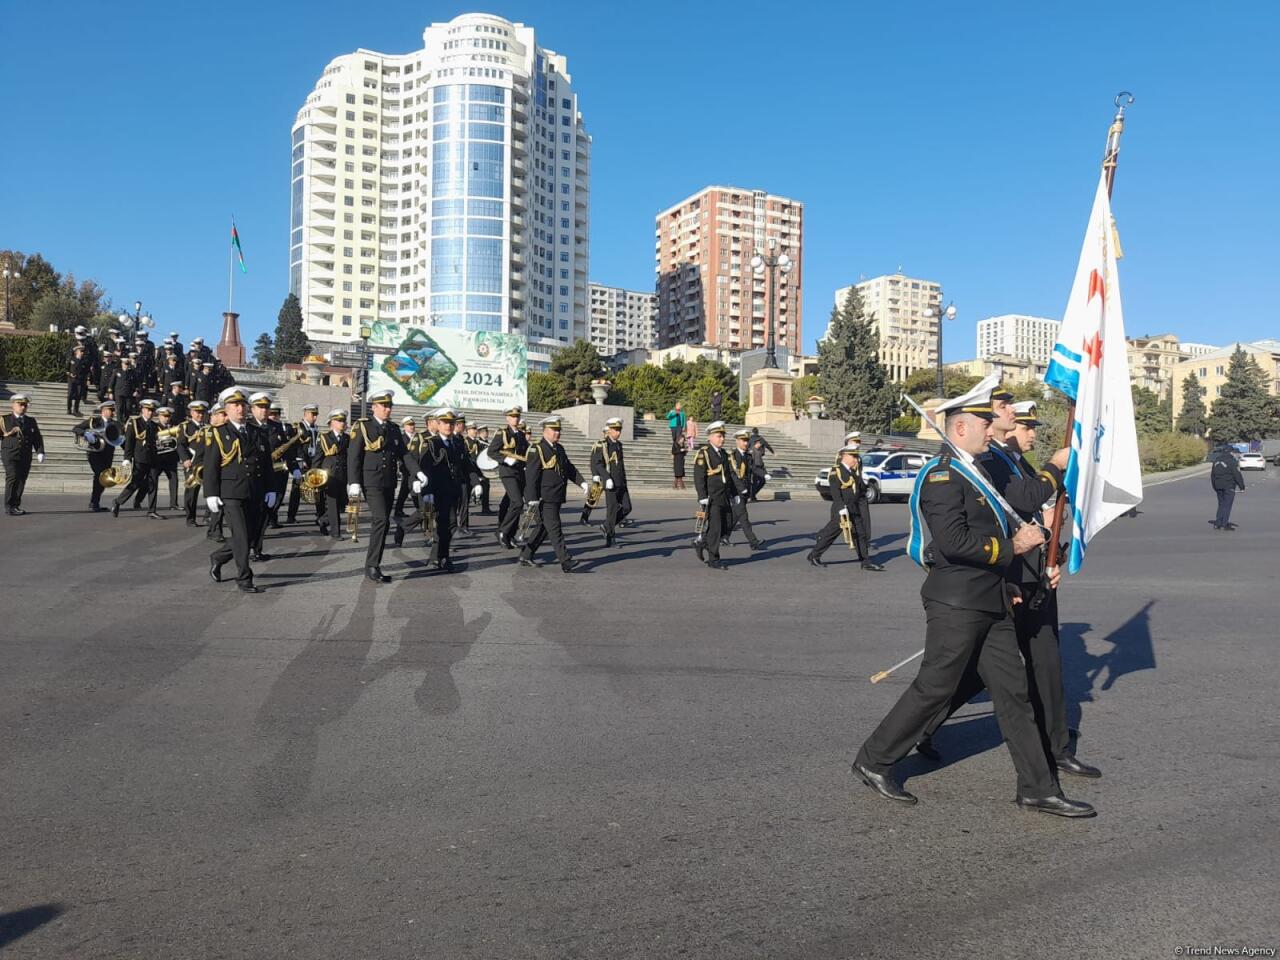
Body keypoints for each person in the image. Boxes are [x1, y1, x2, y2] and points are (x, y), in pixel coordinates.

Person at [851, 382, 1094, 818]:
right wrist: (1014, 547)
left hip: (992, 598)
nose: (993, 429)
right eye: (984, 423)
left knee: (1013, 693)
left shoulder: (975, 469)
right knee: (935, 687)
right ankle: (873, 760)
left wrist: (1009, 583)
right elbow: (955, 542)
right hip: (956, 601)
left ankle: (1037, 789)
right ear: (960, 426)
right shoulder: (942, 475)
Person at [204, 386, 270, 594]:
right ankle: (244, 578)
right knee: (241, 535)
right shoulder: (218, 433)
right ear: (226, 409)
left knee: (250, 537)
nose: (240, 409)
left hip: (255, 490)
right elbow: (211, 465)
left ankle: (219, 557)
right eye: (235, 405)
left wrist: (271, 489)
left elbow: (266, 463)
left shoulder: (257, 432)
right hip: (231, 491)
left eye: (242, 404)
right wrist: (211, 493)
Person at [348, 389, 406, 583]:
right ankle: (373, 566)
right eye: (384, 406)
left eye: (390, 406)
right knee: (381, 519)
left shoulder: (394, 429)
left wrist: (417, 473)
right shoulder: (363, 426)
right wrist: (354, 482)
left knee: (384, 522)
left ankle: (372, 565)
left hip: (389, 482)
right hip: (370, 481)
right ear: (374, 407)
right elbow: (354, 456)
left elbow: (404, 455)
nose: (387, 409)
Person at [518, 416, 589, 572]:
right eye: (554, 430)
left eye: (558, 430)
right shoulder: (537, 449)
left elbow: (569, 468)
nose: (557, 433)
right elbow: (531, 476)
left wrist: (582, 482)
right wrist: (531, 498)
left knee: (544, 527)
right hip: (544, 497)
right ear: (545, 430)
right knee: (555, 527)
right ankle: (565, 560)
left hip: (556, 495)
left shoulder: (559, 448)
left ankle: (526, 554)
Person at [808, 443, 883, 571]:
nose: (856, 459)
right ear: (844, 456)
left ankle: (865, 561)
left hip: (854, 508)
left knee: (860, 533)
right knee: (831, 534)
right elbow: (835, 491)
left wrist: (864, 483)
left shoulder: (853, 472)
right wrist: (841, 506)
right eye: (853, 456)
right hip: (841, 509)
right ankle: (814, 555)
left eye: (856, 456)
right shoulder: (836, 471)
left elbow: (859, 491)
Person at [487, 406, 529, 549]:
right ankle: (502, 531)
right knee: (518, 503)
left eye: (517, 416)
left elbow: (526, 452)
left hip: (519, 472)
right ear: (507, 418)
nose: (515, 419)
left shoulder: (521, 434)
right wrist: (505, 459)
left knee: (510, 503)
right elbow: (491, 452)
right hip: (507, 472)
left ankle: (510, 535)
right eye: (512, 416)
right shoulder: (502, 433)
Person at [112, 398, 161, 519]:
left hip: (153, 458)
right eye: (148, 410)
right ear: (142, 410)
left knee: (153, 484)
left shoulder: (155, 425)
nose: (150, 412)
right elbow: (129, 442)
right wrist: (127, 458)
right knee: (135, 483)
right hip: (140, 458)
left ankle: (151, 510)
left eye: (152, 410)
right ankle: (118, 501)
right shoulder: (134, 422)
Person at [692, 421, 732, 569]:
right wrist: (702, 495)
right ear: (710, 437)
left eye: (723, 436)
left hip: (724, 496)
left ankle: (702, 543)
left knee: (728, 523)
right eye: (719, 436)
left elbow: (728, 476)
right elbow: (699, 476)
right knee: (715, 527)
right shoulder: (704, 452)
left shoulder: (723, 453)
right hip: (711, 496)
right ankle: (714, 559)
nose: (722, 439)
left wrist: (734, 493)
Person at [73, 399, 121, 512]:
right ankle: (94, 503)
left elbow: (120, 439)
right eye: (111, 410)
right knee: (99, 475)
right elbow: (75, 428)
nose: (113, 412)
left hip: (108, 454)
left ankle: (95, 502)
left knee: (103, 479)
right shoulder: (94, 421)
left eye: (114, 410)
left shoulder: (116, 424)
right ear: (104, 410)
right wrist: (85, 433)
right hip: (94, 453)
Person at [590, 417, 631, 547]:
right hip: (610, 482)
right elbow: (598, 464)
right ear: (609, 430)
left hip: (620, 482)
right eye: (615, 429)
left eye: (619, 429)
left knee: (627, 507)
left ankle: (607, 525)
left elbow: (621, 465)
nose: (618, 432)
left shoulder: (619, 445)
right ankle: (610, 539)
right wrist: (606, 478)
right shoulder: (602, 444)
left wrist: (624, 480)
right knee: (612, 511)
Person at [2, 393, 45, 515]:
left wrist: (40, 451)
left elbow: (37, 438)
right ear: (13, 405)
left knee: (21, 479)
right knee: (12, 476)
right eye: (20, 404)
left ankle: (15, 505)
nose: (23, 407)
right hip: (10, 453)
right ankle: (9, 505)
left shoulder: (31, 421)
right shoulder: (4, 419)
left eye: (25, 405)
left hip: (25, 454)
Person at [727, 429, 767, 552]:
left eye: (747, 441)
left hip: (745, 491)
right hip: (736, 491)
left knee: (735, 516)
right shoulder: (733, 456)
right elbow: (733, 475)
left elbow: (754, 468)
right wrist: (741, 489)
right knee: (744, 516)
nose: (746, 443)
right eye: (743, 441)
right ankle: (753, 542)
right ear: (737, 441)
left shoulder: (748, 456)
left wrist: (764, 474)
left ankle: (723, 536)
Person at [286, 403, 322, 526]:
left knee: (317, 487)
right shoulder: (298, 427)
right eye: (313, 414)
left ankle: (320, 514)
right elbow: (295, 445)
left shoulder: (315, 428)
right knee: (297, 489)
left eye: (316, 414)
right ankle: (291, 515)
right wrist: (300, 459)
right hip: (302, 461)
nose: (315, 417)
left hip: (313, 460)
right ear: (305, 414)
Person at [316, 409, 349, 539]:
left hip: (343, 475)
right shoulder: (325, 438)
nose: (343, 423)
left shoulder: (347, 438)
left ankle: (322, 520)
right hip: (329, 476)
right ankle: (336, 532)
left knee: (343, 505)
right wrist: (314, 476)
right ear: (332, 422)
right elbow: (318, 458)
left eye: (344, 421)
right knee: (333, 504)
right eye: (340, 421)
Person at [177, 400, 209, 526]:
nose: (200, 415)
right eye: (197, 412)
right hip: (192, 463)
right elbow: (180, 445)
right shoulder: (185, 426)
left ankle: (209, 516)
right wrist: (185, 459)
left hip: (206, 463)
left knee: (211, 490)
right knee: (192, 492)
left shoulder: (207, 427)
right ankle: (190, 518)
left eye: (202, 412)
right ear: (191, 412)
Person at [147, 406, 181, 514]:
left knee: (174, 479)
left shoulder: (173, 426)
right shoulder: (154, 426)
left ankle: (173, 504)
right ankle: (144, 504)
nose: (167, 418)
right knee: (151, 482)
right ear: (159, 416)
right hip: (158, 459)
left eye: (168, 416)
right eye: (164, 416)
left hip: (170, 458)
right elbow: (152, 439)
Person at [203, 403, 227, 544]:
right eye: (222, 415)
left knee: (221, 506)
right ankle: (214, 531)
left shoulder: (228, 431)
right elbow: (201, 455)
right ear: (215, 416)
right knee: (217, 505)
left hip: (226, 473)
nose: (225, 417)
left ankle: (213, 530)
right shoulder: (209, 432)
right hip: (213, 473)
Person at [1210, 443, 1246, 531]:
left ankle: (1217, 523)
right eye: (1233, 452)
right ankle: (1224, 524)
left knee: (1221, 504)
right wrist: (1242, 487)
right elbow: (1237, 475)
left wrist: (1214, 486)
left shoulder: (1216, 461)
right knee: (1227, 505)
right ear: (1231, 452)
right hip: (1229, 486)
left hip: (1218, 485)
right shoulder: (1232, 461)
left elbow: (1212, 475)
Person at [394, 415, 420, 518]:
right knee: (409, 489)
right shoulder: (402, 438)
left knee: (405, 490)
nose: (412, 427)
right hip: (406, 467)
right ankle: (419, 510)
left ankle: (398, 510)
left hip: (415, 467)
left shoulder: (417, 437)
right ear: (404, 426)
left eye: (413, 425)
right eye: (409, 425)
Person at [464, 421, 492, 515]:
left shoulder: (478, 442)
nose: (475, 431)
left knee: (486, 487)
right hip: (470, 471)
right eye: (473, 429)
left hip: (479, 470)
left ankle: (485, 508)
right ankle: (463, 511)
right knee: (466, 493)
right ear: (467, 430)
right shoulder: (466, 442)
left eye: (475, 429)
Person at [748, 428, 775, 501]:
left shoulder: (751, 440)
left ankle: (752, 495)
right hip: (755, 466)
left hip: (758, 464)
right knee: (757, 481)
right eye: (759, 444)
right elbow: (767, 445)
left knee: (759, 481)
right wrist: (773, 452)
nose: (760, 445)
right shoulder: (758, 441)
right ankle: (752, 495)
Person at [66, 345, 91, 415]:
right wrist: (70, 374)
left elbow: (88, 371)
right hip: (72, 380)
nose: (82, 353)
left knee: (78, 395)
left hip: (80, 380)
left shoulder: (84, 361)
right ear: (76, 352)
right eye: (81, 351)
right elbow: (66, 369)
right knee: (70, 395)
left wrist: (88, 379)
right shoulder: (71, 359)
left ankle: (76, 410)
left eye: (83, 351)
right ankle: (69, 409)